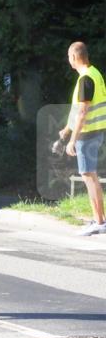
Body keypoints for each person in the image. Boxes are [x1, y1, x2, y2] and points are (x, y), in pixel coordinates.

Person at [58, 41, 106, 236]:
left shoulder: (85, 79)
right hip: (96, 131)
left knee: (88, 176)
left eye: (69, 57)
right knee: (90, 175)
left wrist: (72, 140)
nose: (69, 61)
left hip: (88, 134)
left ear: (74, 58)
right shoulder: (95, 74)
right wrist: (67, 129)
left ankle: (99, 222)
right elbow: (79, 108)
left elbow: (83, 111)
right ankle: (99, 219)